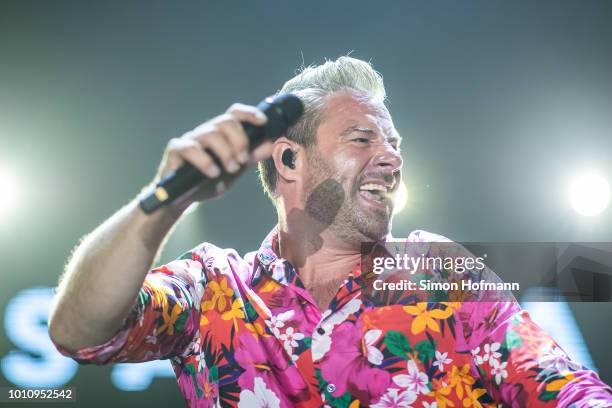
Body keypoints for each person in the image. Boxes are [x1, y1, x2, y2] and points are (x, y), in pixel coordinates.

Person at [48, 56, 612, 407]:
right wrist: (162, 201)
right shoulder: (215, 288)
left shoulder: (439, 272)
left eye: (395, 145)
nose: (391, 158)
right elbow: (81, 334)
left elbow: (560, 385)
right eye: (363, 139)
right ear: (289, 161)